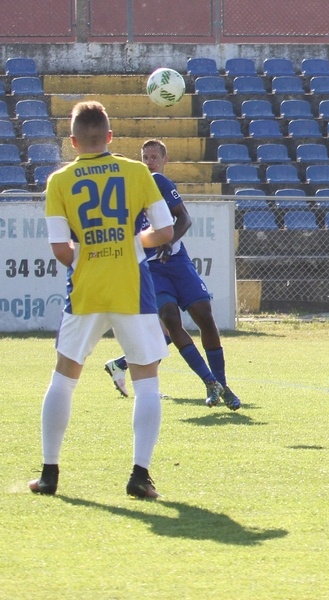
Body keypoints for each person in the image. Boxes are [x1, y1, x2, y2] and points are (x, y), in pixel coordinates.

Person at [29, 101, 174, 498]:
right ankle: (140, 477)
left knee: (64, 377)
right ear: (110, 137)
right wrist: (129, 244)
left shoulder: (59, 181)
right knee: (147, 381)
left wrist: (91, 255)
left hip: (87, 288)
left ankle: (49, 475)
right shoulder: (137, 171)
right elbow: (164, 231)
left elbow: (61, 249)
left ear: (73, 141)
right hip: (133, 287)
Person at [103, 139, 241, 410]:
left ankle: (222, 384)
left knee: (204, 316)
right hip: (151, 268)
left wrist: (167, 241)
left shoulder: (157, 182)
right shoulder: (116, 201)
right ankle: (210, 383)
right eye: (145, 157)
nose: (148, 161)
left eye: (154, 156)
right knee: (168, 319)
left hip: (176, 260)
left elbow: (184, 218)